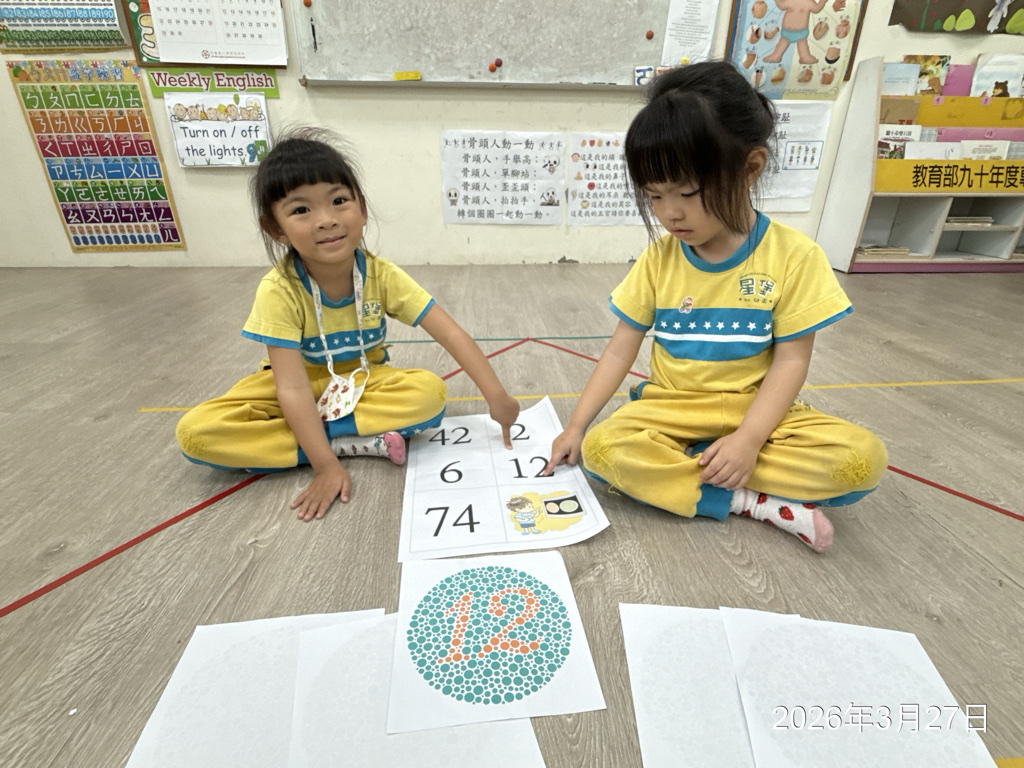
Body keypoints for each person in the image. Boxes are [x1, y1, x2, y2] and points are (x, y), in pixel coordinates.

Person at [545, 61, 886, 553]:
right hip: (672, 409)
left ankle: (698, 467)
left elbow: (791, 361)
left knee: (861, 459)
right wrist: (576, 427)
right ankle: (751, 500)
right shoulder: (659, 258)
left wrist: (749, 440)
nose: (670, 213)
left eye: (687, 192)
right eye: (654, 196)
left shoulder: (794, 256)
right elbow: (620, 350)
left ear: (750, 168)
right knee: (603, 449)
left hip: (759, 412)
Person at [176, 127, 520, 521]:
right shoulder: (279, 289)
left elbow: (451, 332)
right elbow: (291, 388)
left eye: (339, 201)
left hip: (362, 380)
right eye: (301, 210)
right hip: (292, 385)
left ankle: (305, 443)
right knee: (197, 432)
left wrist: (497, 396)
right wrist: (326, 467)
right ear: (275, 228)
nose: (326, 220)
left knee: (428, 394)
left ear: (362, 209)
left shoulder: (380, 274)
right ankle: (343, 445)